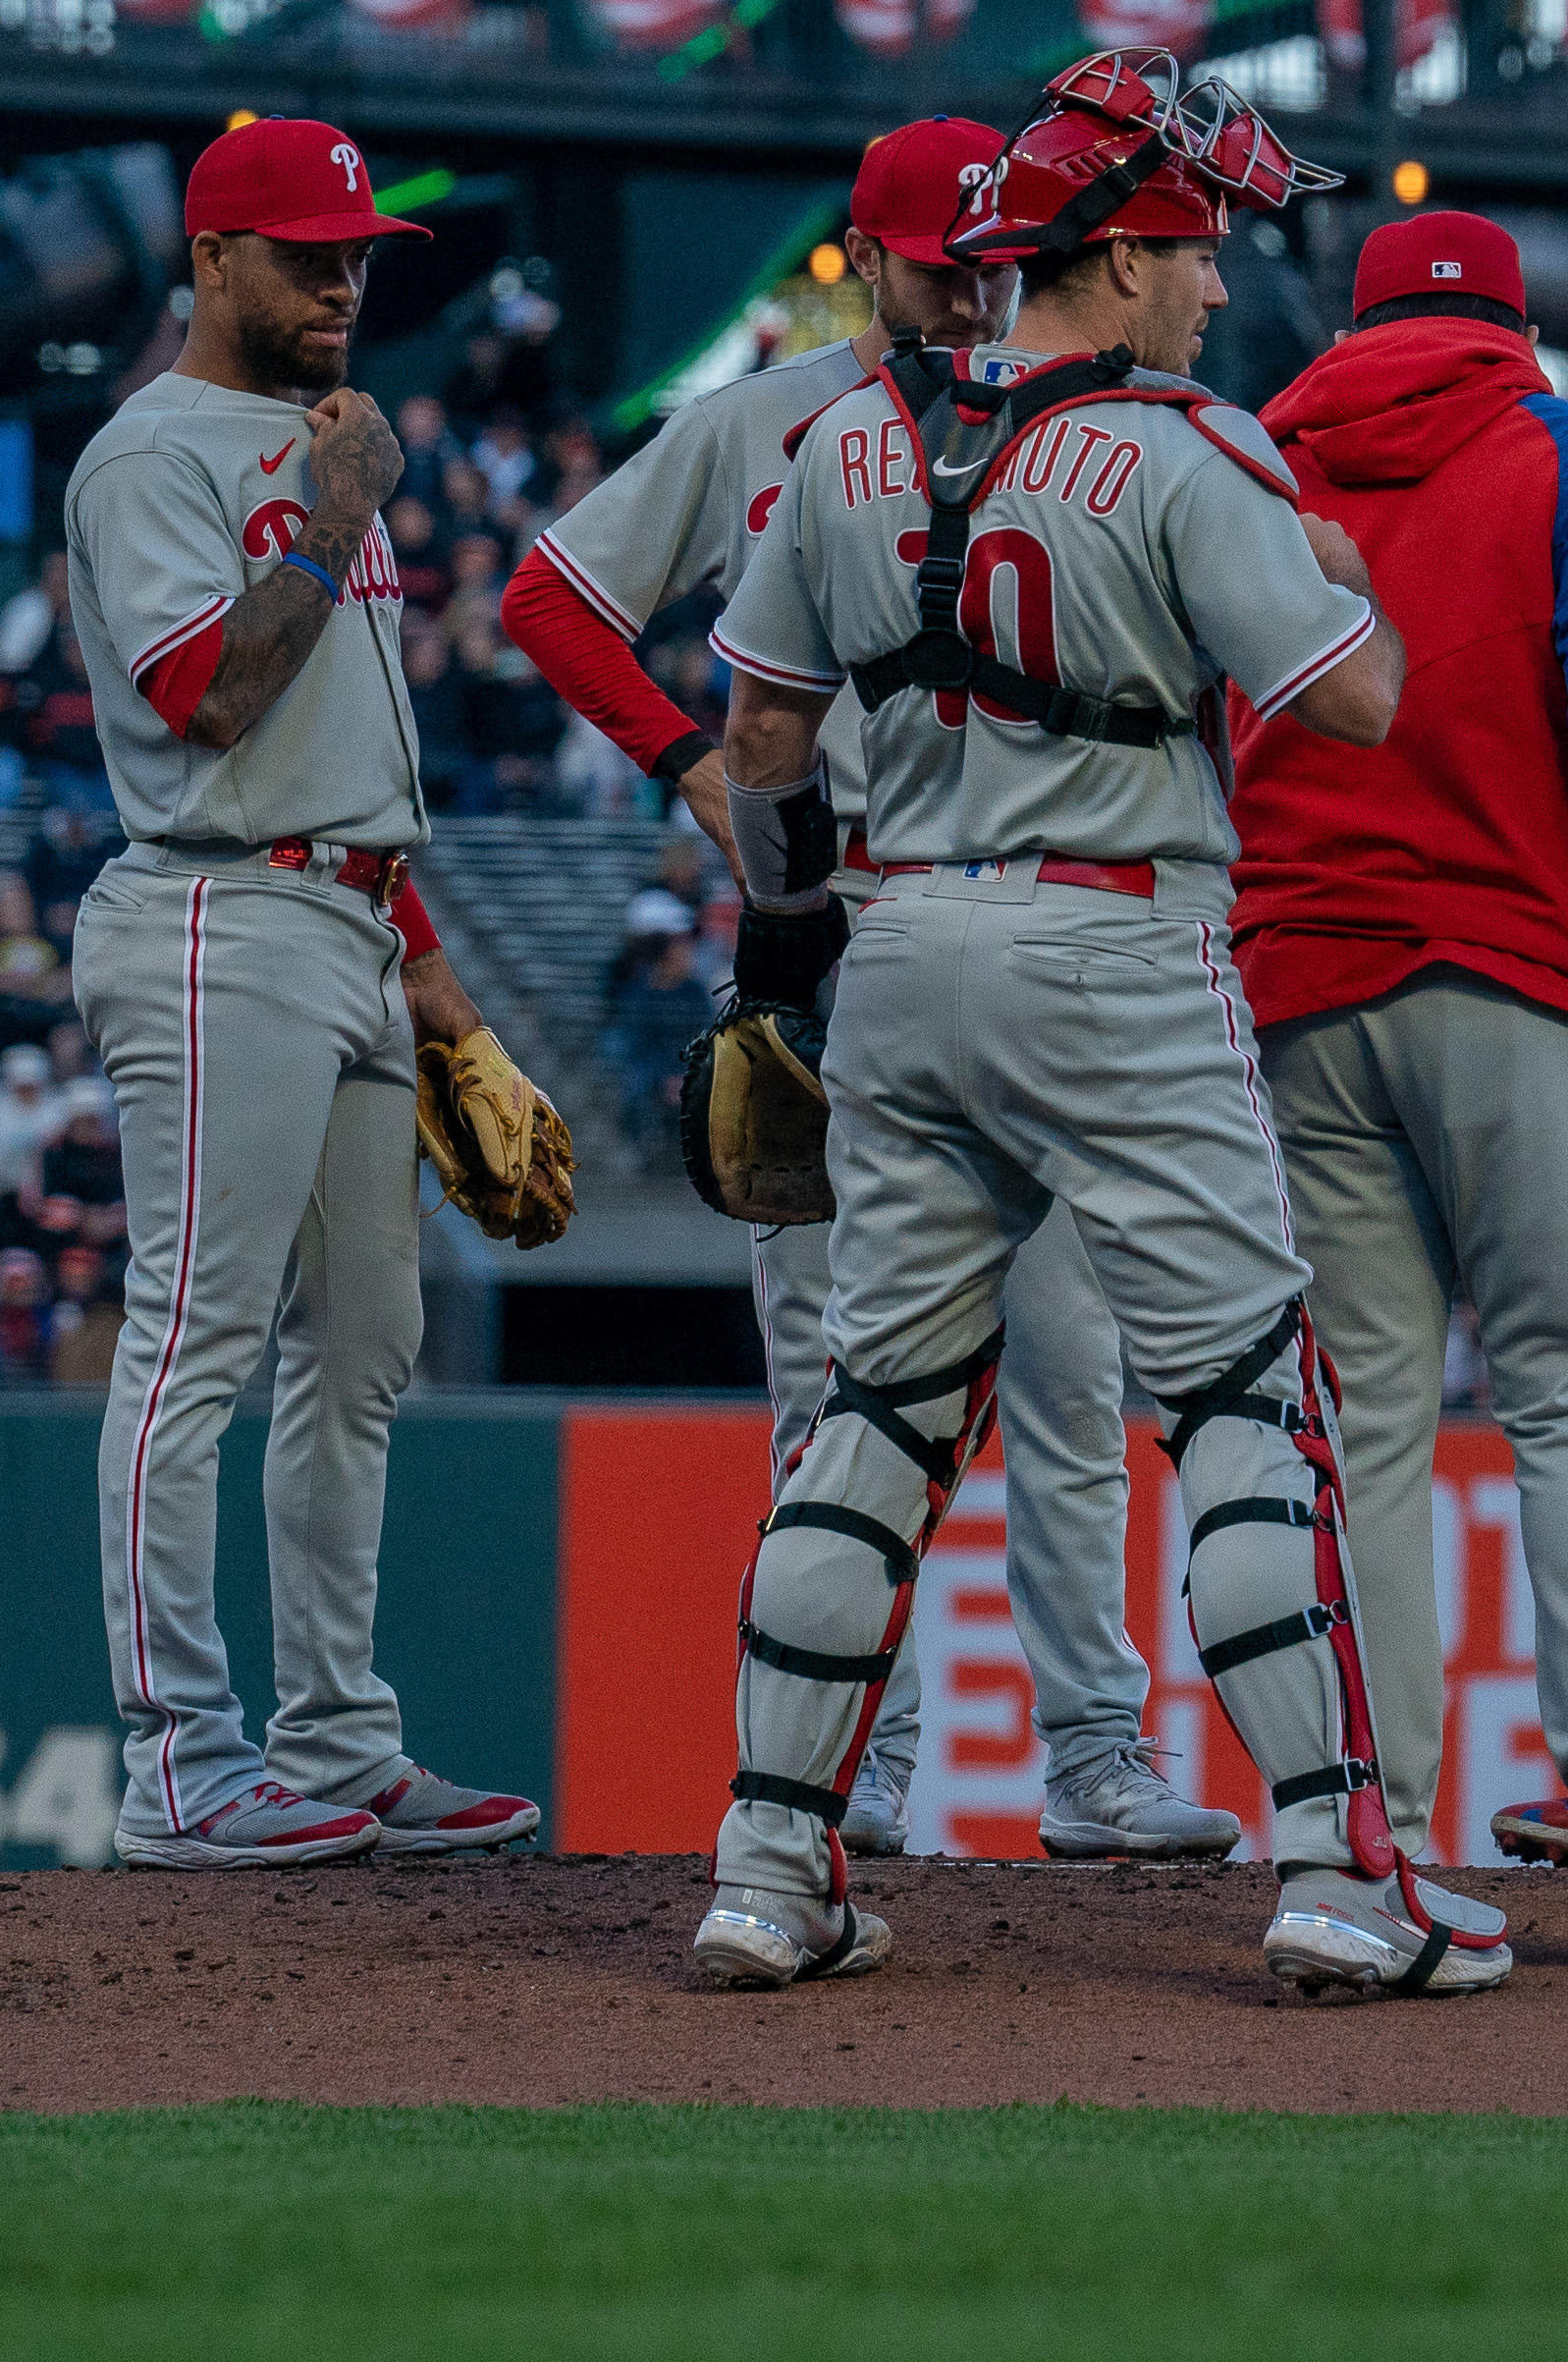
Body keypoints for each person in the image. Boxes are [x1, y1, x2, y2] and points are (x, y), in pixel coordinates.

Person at [690, 51, 1491, 2000]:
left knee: (872, 1411)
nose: (1217, 286)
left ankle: (767, 1863)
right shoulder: (1187, 446)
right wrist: (1345, 572)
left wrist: (789, 940)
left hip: (900, 945)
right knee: (1234, 1396)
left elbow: (762, 739)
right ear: (1117, 258)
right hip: (1121, 941)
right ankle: (1333, 1867)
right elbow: (1365, 699)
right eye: (1195, 250)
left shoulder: (845, 447)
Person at [495, 120, 1231, 1866]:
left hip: (1034, 915)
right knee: (842, 1393)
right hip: (838, 937)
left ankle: (1096, 1758)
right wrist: (693, 760)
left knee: (1067, 1374)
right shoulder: (773, 420)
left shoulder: (1074, 420)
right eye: (933, 264)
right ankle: (855, 1767)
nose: (966, 293)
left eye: (991, 263)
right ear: (861, 252)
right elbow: (551, 592)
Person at [1234, 205, 1568, 1963]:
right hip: (1523, 971)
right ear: (1511, 326)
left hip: (1298, 976)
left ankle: (1381, 1832)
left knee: (1364, 1421)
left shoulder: (1253, 457)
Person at [62, 118, 551, 1871]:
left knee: (365, 1352)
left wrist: (449, 1005)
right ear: (212, 262)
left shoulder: (310, 439)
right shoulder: (153, 457)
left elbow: (357, 764)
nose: (343, 281)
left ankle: (333, 1739)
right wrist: (340, 511)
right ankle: (176, 1755)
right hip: (214, 915)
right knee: (193, 1340)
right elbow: (208, 693)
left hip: (344, 920)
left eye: (358, 255)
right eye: (304, 254)